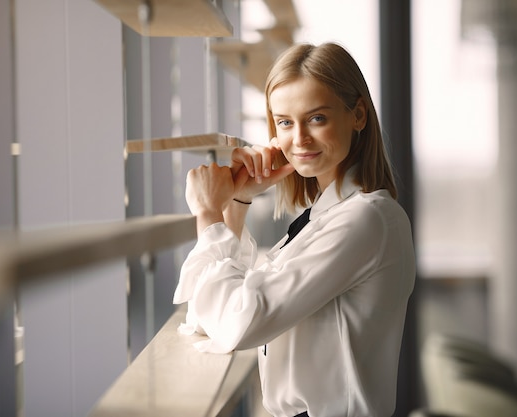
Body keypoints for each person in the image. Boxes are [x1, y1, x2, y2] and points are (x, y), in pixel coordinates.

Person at [173, 42, 416, 417]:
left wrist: (208, 214)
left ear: (359, 115)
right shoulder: (319, 219)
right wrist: (237, 201)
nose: (298, 139)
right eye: (285, 122)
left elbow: (241, 324)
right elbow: (211, 318)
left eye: (316, 118)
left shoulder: (365, 221)